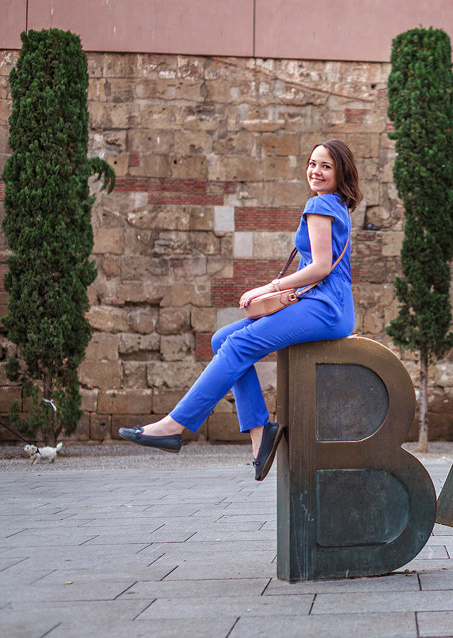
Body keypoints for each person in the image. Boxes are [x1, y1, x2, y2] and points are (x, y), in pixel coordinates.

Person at [119, 139, 362, 481]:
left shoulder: (320, 205)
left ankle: (174, 425)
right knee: (223, 339)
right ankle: (260, 433)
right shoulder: (334, 204)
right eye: (312, 163)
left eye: (326, 166)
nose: (316, 171)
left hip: (324, 307)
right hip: (325, 304)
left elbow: (321, 267)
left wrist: (267, 287)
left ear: (340, 173)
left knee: (238, 345)